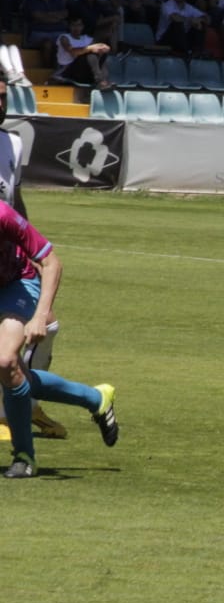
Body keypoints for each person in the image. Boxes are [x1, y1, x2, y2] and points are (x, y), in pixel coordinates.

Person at [0, 200, 118, 478]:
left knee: (5, 361)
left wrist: (40, 316)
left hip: (17, 284)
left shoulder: (3, 214)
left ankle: (24, 456)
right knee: (17, 375)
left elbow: (51, 262)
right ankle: (95, 398)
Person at [0, 77, 67, 443]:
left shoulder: (12, 142)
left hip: (9, 260)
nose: (0, 104)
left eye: (2, 98)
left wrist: (31, 255)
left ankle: (22, 404)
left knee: (46, 325)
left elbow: (15, 203)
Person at [53, 15, 111, 88]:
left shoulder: (87, 39)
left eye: (79, 25)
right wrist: (90, 48)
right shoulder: (64, 38)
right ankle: (100, 81)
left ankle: (104, 80)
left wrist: (103, 47)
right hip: (67, 71)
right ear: (69, 26)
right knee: (90, 54)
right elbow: (73, 52)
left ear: (83, 26)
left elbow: (97, 49)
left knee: (101, 53)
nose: (76, 28)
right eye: (73, 25)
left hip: (84, 72)